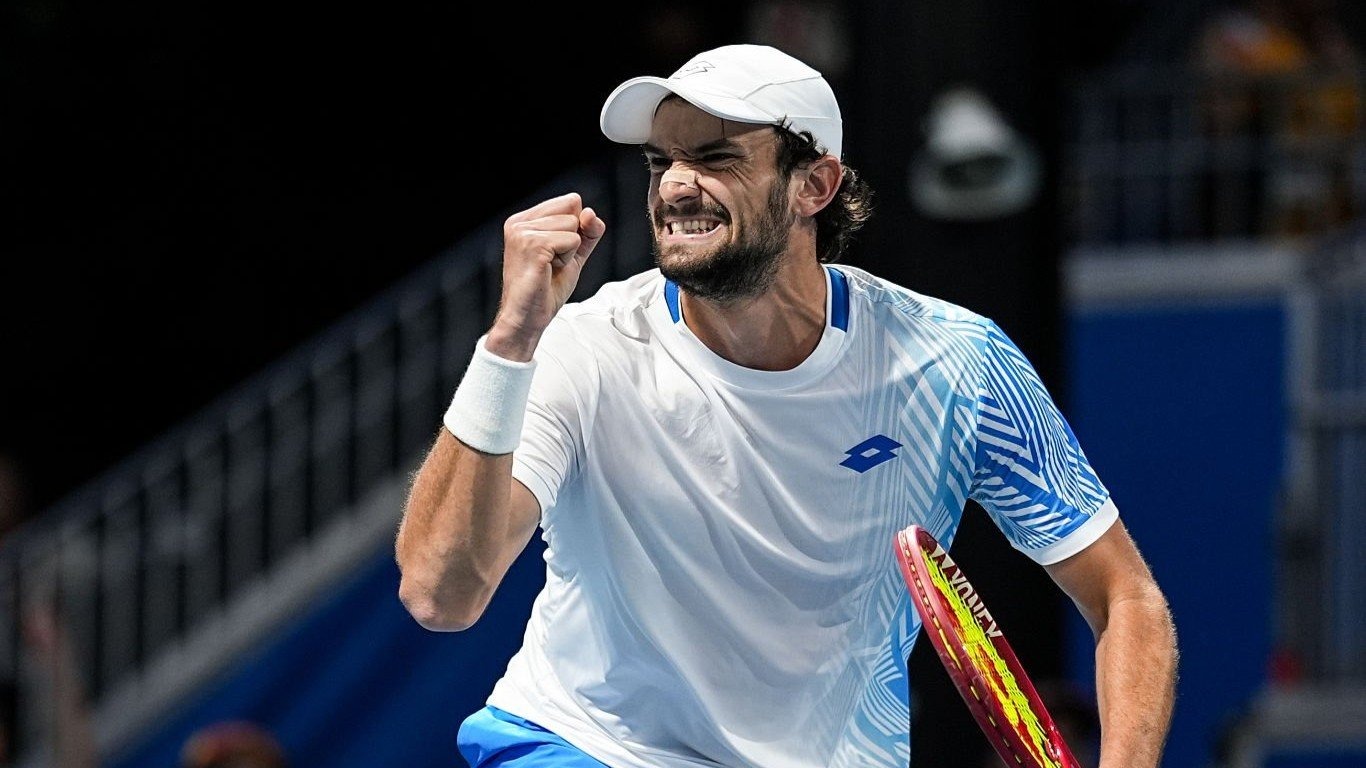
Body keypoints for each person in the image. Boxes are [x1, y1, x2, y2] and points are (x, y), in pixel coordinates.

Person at [395, 43, 1178, 767]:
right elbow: (439, 594)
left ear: (816, 185)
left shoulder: (954, 364)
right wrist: (509, 341)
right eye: (661, 160)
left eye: (715, 158)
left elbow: (1127, 599)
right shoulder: (584, 348)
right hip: (590, 744)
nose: (673, 184)